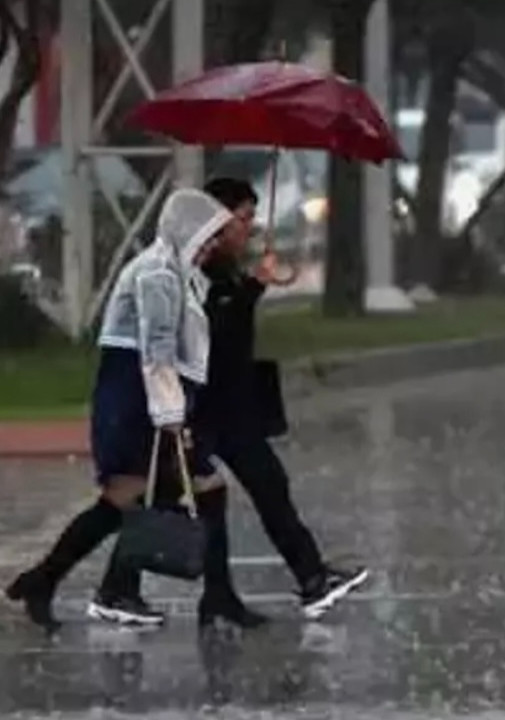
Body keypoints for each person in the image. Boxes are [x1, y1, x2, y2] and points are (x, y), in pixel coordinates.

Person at [4, 188, 235, 632]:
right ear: (185, 230)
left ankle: (81, 584)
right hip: (136, 397)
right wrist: (171, 416)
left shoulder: (176, 273)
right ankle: (102, 588)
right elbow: (157, 350)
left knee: (150, 495)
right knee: (142, 495)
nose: (211, 246)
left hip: (144, 395)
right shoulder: (157, 274)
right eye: (207, 236)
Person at [196, 177, 367, 622]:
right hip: (207, 404)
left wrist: (253, 283)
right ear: (217, 216)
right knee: (167, 501)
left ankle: (302, 579)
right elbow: (214, 329)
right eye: (243, 218)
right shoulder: (201, 266)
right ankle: (119, 586)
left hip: (230, 403)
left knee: (261, 489)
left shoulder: (226, 265)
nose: (248, 228)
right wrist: (252, 286)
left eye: (252, 218)